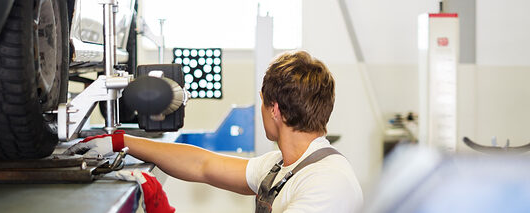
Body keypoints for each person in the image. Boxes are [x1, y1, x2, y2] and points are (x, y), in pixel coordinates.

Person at [65, 50, 363, 213]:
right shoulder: (282, 167)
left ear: (275, 109)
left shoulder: (327, 184)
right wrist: (121, 141)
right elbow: (204, 165)